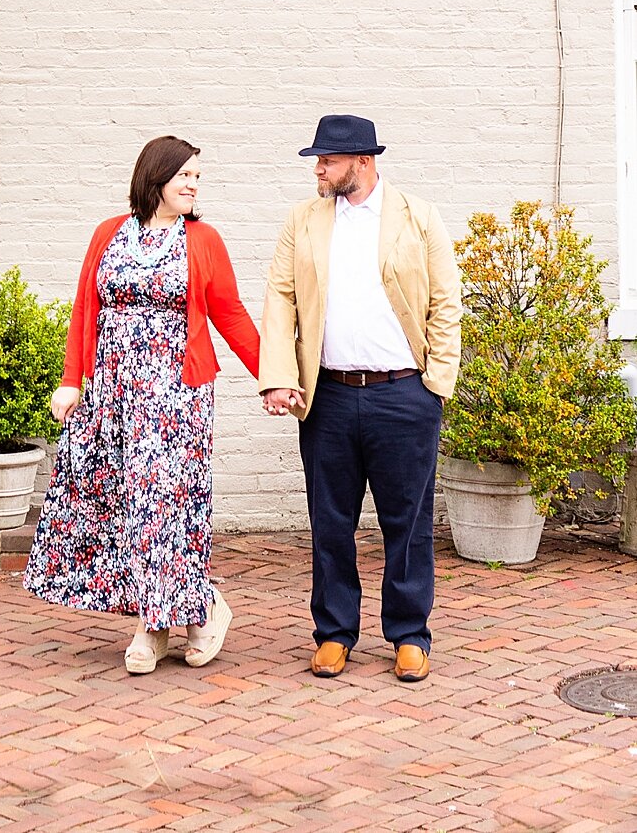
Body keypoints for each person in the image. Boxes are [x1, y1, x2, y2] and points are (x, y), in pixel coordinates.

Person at [23, 136, 260, 674]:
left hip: (178, 396)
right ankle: (201, 610)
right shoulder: (109, 234)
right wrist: (70, 380)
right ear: (155, 178)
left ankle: (152, 628)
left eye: (199, 177)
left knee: (165, 508)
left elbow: (232, 315)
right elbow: (86, 307)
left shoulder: (203, 240)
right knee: (124, 509)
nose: (194, 185)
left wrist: (274, 378)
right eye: (185, 175)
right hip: (113, 394)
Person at [259, 115, 462, 683]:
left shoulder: (417, 217)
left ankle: (408, 635)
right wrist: (278, 374)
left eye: (327, 159)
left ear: (363, 163)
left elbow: (446, 303)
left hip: (404, 394)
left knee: (408, 522)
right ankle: (333, 633)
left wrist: (436, 384)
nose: (317, 169)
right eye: (317, 159)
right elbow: (279, 298)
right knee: (329, 521)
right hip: (328, 397)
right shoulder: (303, 220)